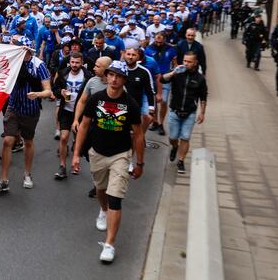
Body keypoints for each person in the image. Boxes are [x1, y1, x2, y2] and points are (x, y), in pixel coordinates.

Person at [72, 60, 145, 265]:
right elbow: (85, 126)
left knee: (116, 198)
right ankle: (102, 211)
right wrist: (77, 154)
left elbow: (138, 135)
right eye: (111, 75)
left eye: (118, 76)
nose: (114, 79)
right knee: (101, 189)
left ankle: (110, 244)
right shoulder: (96, 98)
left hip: (120, 155)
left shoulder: (130, 104)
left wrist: (140, 163)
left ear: (123, 80)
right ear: (107, 76)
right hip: (97, 153)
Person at [0, 36, 54, 194]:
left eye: (14, 46)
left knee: (28, 141)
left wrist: (38, 94)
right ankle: (4, 180)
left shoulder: (39, 65)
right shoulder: (11, 62)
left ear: (23, 49)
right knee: (7, 141)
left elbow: (48, 91)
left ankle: (27, 174)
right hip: (13, 107)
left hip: (30, 110)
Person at [159, 52, 208, 174]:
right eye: (185, 61)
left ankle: (181, 161)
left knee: (185, 137)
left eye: (189, 61)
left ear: (195, 63)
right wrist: (173, 72)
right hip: (175, 112)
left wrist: (202, 113)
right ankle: (174, 147)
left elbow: (203, 97)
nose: (186, 63)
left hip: (189, 113)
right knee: (173, 137)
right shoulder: (177, 74)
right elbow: (162, 80)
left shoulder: (200, 79)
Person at [51, 52, 92, 179]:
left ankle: (75, 161)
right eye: (72, 62)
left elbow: (92, 95)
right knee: (63, 138)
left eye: (77, 63)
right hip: (66, 111)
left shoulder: (88, 76)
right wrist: (60, 92)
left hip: (80, 113)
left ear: (82, 63)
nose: (74, 65)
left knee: (78, 140)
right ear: (70, 62)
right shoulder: (63, 73)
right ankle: (62, 166)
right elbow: (55, 89)